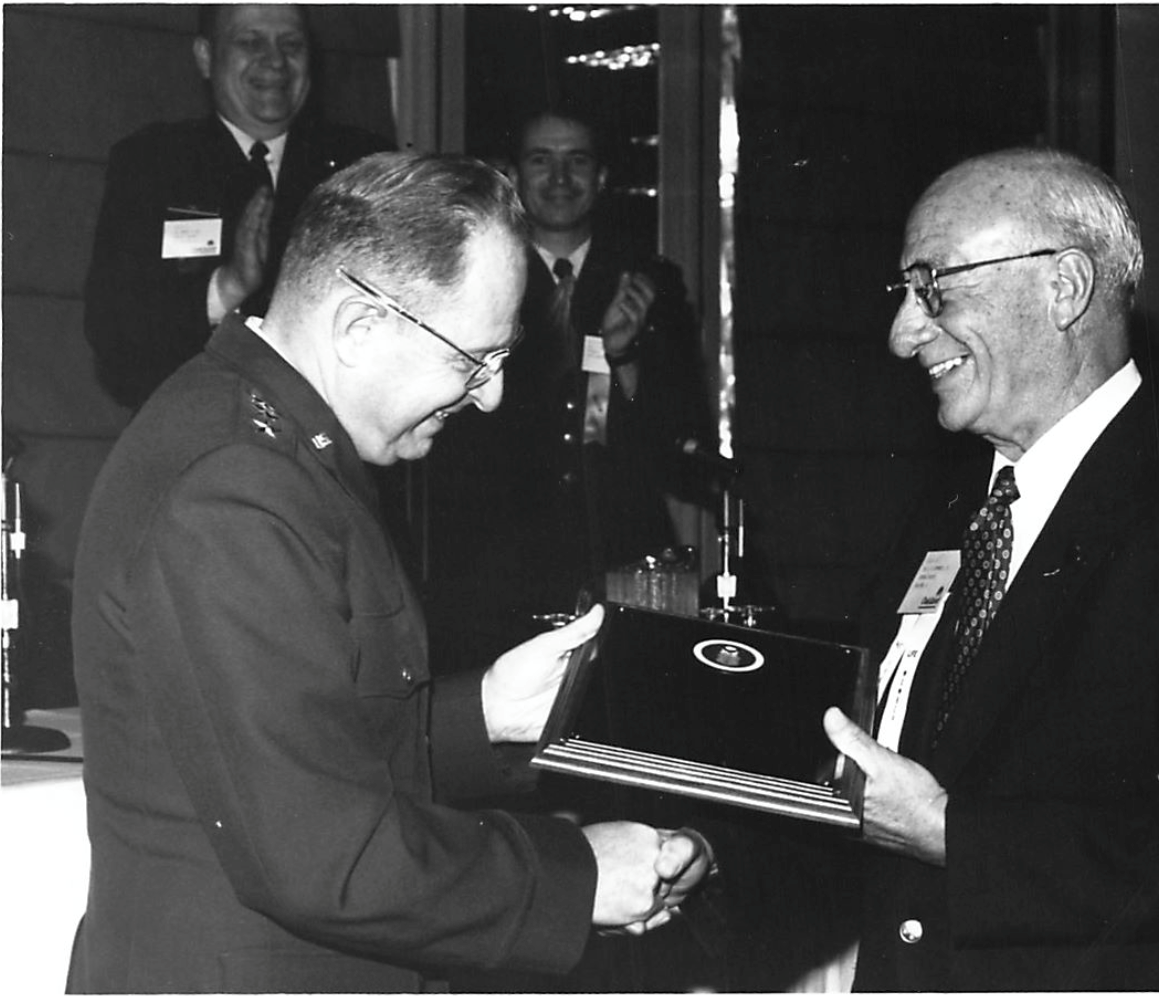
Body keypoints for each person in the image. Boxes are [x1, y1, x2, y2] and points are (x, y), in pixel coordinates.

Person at [67, 151, 713, 994]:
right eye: (472, 360)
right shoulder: (234, 486)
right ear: (359, 329)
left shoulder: (278, 444)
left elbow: (306, 743)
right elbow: (325, 855)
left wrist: (486, 713)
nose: (489, 396)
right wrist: (580, 873)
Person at [822, 147, 1159, 990]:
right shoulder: (941, 518)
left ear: (1064, 287)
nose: (903, 333)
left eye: (935, 286)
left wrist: (952, 833)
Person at [410, 105, 714, 666]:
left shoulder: (650, 283)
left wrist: (625, 358)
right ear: (513, 175)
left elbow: (677, 438)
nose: (558, 178)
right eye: (540, 160)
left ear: (601, 178)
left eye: (576, 161)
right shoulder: (468, 274)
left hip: (614, 553)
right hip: (493, 560)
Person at [84, 4, 391, 411]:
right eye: (251, 42)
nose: (276, 61)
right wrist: (224, 288)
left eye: (291, 44)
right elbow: (114, 332)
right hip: (196, 431)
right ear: (206, 57)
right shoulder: (154, 164)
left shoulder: (363, 166)